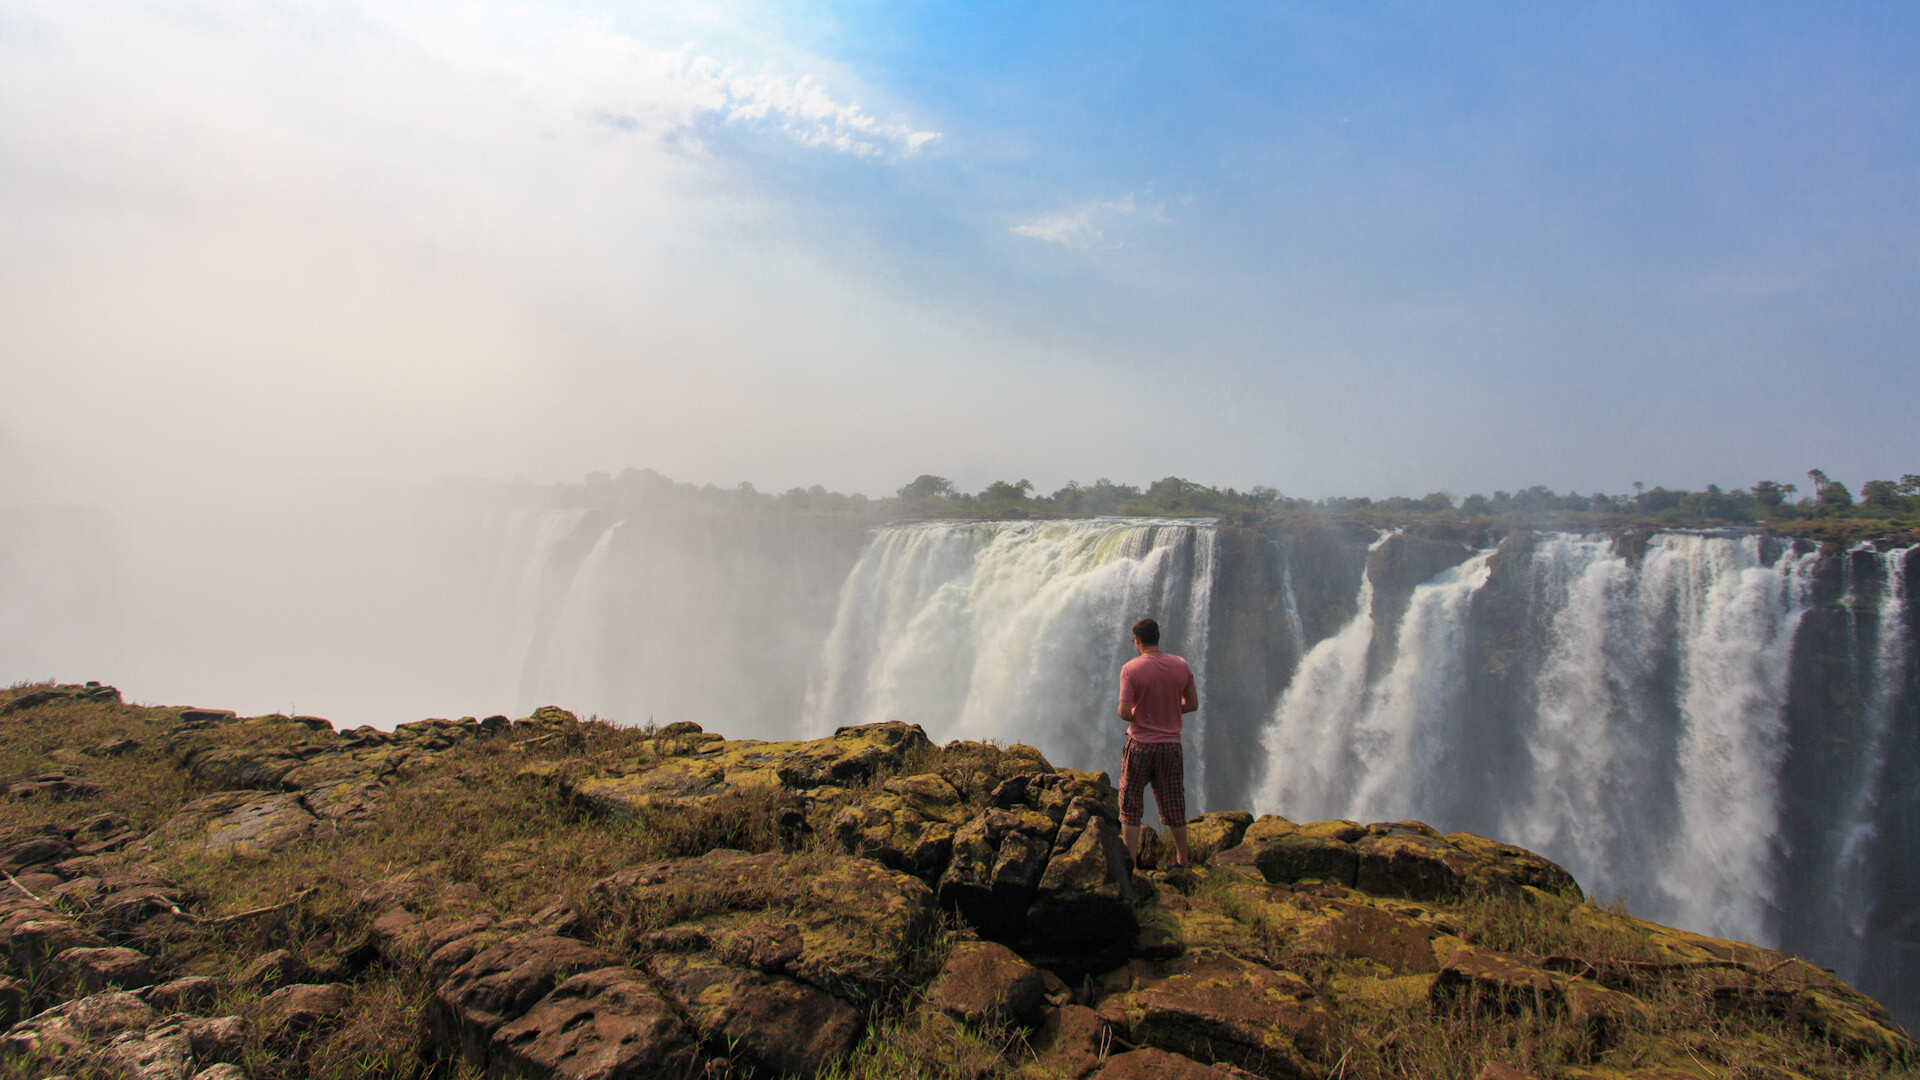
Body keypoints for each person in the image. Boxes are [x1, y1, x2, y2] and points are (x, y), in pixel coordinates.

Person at [1116, 616, 1197, 869]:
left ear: (1137, 640)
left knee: (1130, 803)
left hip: (1140, 744)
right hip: (1170, 747)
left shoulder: (1131, 669)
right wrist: (1169, 711)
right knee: (1174, 802)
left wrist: (1144, 713)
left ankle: (1131, 863)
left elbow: (1125, 712)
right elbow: (1192, 704)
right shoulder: (1181, 665)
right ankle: (1182, 860)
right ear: (1158, 638)